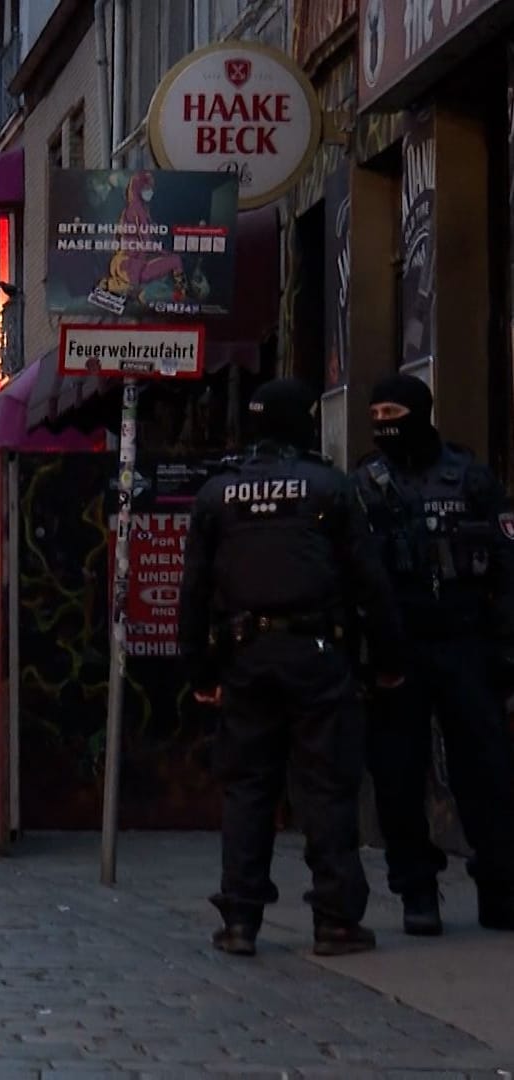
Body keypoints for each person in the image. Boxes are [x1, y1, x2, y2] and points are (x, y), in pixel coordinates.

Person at [179, 377, 405, 957]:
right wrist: (387, 659)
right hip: (318, 655)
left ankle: (240, 920)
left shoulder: (217, 494)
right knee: (327, 788)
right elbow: (369, 581)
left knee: (248, 788)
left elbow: (195, 591)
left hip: (246, 656)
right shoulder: (329, 487)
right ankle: (334, 920)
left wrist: (200, 671)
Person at [352, 374, 514, 934]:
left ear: (421, 413)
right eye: (376, 416)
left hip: (466, 644)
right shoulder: (366, 485)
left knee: (487, 772)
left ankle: (500, 887)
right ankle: (417, 891)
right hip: (397, 651)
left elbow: (506, 564)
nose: (384, 426)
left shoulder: (470, 477)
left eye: (395, 412)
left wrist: (505, 646)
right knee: (397, 777)